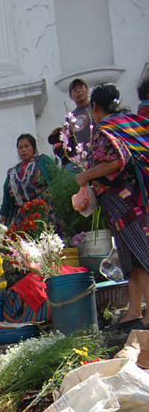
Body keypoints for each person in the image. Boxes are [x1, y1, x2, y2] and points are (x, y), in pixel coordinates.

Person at [75, 82, 149, 329]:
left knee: (141, 254)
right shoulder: (132, 123)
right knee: (131, 260)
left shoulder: (104, 129)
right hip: (137, 196)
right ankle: (134, 312)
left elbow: (117, 161)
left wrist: (85, 176)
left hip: (123, 200)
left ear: (94, 106)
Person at [0, 134, 57, 228]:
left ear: (33, 147)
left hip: (44, 213)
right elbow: (7, 195)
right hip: (22, 219)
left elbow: (57, 181)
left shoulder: (43, 161)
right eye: (20, 147)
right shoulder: (12, 172)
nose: (23, 150)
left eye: (27, 146)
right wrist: (4, 215)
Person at [69, 78, 94, 152]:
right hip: (79, 160)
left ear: (87, 89)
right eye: (74, 90)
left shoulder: (96, 107)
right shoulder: (70, 118)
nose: (78, 91)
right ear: (71, 96)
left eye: (81, 87)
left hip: (97, 156)